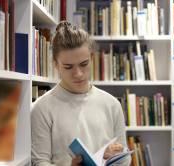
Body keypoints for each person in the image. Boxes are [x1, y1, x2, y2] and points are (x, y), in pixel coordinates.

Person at [31, 21, 131, 166]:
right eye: (68, 67)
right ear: (55, 64)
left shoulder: (112, 104)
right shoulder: (42, 108)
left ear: (92, 58)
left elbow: (124, 158)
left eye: (84, 64)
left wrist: (117, 155)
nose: (78, 74)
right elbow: (39, 162)